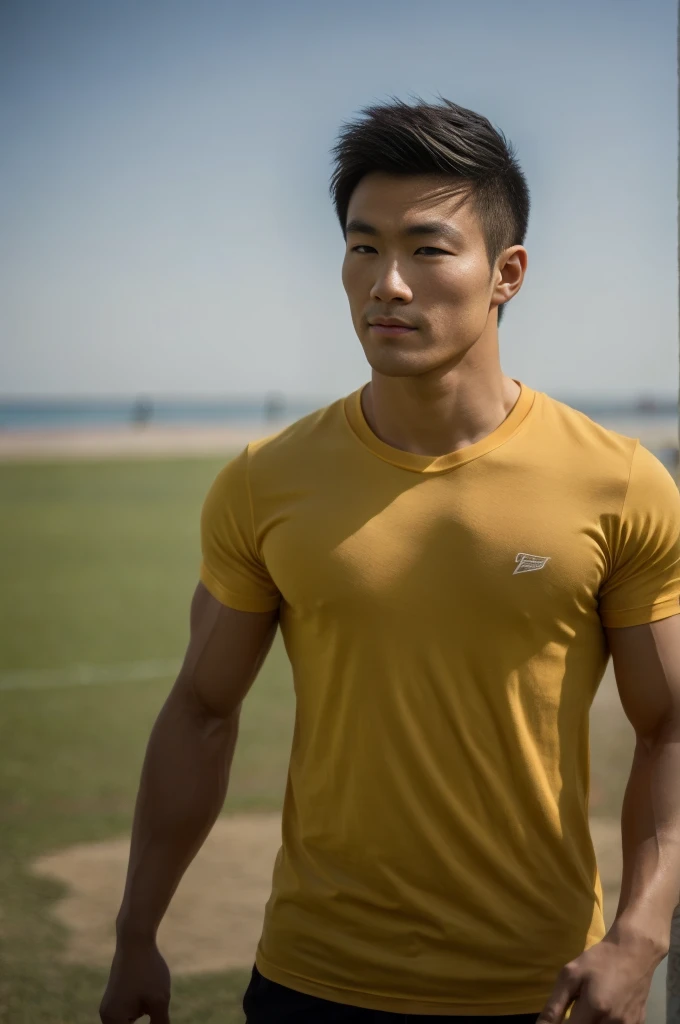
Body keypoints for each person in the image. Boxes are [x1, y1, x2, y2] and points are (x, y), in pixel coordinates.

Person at [99, 98, 680, 1024]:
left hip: (541, 987)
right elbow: (202, 711)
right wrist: (136, 932)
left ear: (507, 273)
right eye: (363, 248)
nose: (389, 284)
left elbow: (671, 729)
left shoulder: (618, 483)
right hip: (310, 983)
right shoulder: (264, 482)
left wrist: (641, 938)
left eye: (428, 248)